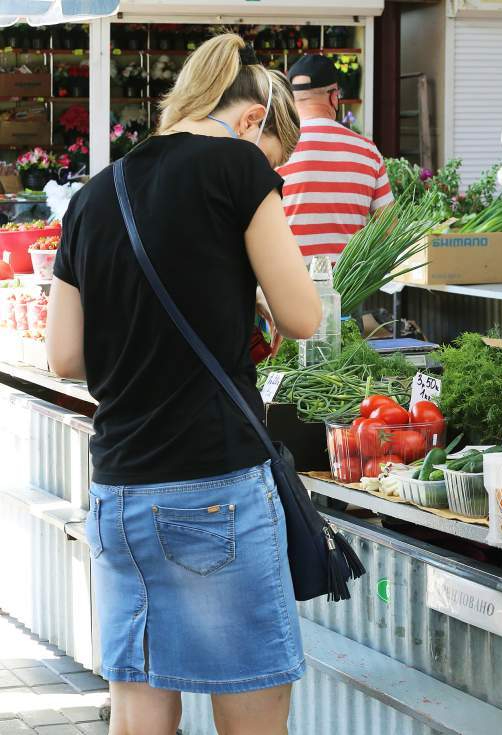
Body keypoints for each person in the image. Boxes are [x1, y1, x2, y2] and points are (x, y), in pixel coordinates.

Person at [46, 34, 320, 735]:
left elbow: (65, 355)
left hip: (118, 487)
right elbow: (304, 315)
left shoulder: (96, 192)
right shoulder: (235, 164)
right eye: (275, 161)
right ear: (254, 119)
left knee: (138, 705)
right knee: (251, 709)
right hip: (212, 487)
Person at [278, 53, 393, 262]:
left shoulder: (275, 149)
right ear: (334, 96)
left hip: (286, 285)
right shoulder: (368, 151)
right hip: (347, 288)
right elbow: (389, 230)